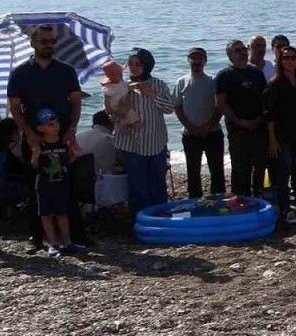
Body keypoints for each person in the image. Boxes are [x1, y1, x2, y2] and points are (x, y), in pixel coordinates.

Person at [6, 24, 86, 250]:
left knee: (66, 186)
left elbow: (76, 102)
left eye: (52, 42)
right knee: (35, 188)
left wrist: (72, 129)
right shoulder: (20, 73)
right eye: (44, 41)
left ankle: (73, 237)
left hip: (62, 137)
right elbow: (15, 108)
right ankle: (38, 238)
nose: (49, 45)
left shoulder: (66, 71)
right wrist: (28, 133)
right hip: (34, 139)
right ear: (33, 43)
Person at [112, 48, 174, 215]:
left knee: (157, 183)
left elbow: (170, 108)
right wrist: (120, 118)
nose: (133, 68)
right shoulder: (122, 86)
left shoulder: (158, 84)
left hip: (155, 142)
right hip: (130, 143)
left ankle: (161, 217)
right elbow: (111, 111)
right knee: (137, 185)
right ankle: (140, 218)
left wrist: (151, 94)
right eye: (131, 64)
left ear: (147, 65)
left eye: (138, 64)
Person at [263, 46, 296, 224]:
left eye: (293, 58)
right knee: (283, 173)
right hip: (281, 135)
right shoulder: (274, 84)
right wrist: (272, 139)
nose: (290, 61)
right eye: (286, 58)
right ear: (280, 61)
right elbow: (269, 115)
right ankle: (285, 208)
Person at [215, 40, 268, 197]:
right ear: (230, 56)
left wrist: (258, 120)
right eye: (237, 50)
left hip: (258, 127)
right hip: (237, 129)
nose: (243, 52)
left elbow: (265, 100)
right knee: (240, 168)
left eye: (244, 49)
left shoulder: (257, 73)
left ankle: (259, 198)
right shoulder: (224, 75)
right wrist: (240, 121)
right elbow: (220, 103)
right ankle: (240, 200)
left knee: (260, 166)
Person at [175, 46, 225, 198]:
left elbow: (219, 106)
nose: (196, 61)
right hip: (190, 134)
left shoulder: (213, 81)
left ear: (205, 61)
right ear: (188, 60)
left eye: (200, 58)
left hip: (213, 132)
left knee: (217, 170)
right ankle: (195, 200)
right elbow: (177, 107)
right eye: (193, 58)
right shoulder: (181, 82)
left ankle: (218, 200)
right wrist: (190, 127)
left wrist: (208, 126)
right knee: (193, 171)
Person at [30, 109, 76, 258]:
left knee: (62, 213)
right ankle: (53, 243)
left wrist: (74, 155)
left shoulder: (63, 142)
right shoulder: (40, 144)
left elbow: (68, 160)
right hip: (44, 183)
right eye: (50, 124)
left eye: (56, 123)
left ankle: (67, 242)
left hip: (61, 182)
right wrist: (35, 154)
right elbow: (34, 165)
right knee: (46, 214)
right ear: (40, 128)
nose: (55, 126)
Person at [76, 110, 118, 176]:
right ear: (111, 124)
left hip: (77, 176)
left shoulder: (78, 136)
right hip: (103, 178)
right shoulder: (112, 140)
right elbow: (124, 162)